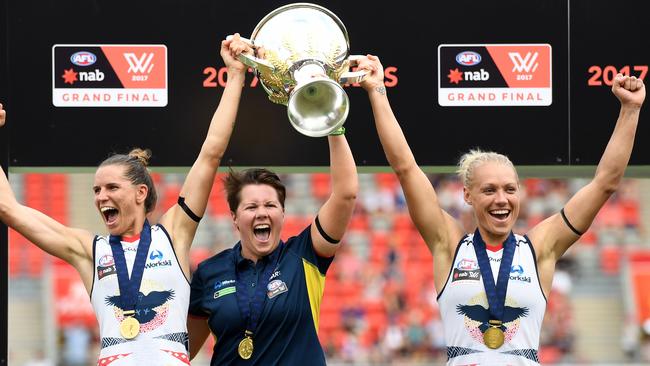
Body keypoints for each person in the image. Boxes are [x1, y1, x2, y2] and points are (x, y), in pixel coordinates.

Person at [358, 54, 645, 365]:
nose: (501, 199)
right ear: (467, 196)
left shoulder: (540, 248)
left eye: (510, 189)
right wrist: (377, 91)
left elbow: (605, 183)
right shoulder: (449, 244)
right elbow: (405, 168)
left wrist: (630, 110)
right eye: (489, 190)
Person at [0, 34, 250, 365]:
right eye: (96, 191)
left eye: (111, 188)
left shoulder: (173, 233)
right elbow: (8, 209)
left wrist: (235, 75)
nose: (101, 197)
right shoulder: (89, 251)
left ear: (140, 192)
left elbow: (211, 153)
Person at [186, 99, 358, 362]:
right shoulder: (210, 272)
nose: (262, 213)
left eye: (270, 205)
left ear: (283, 213)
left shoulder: (305, 254)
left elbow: (345, 194)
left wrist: (333, 127)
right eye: (251, 207)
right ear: (234, 217)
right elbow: (182, 352)